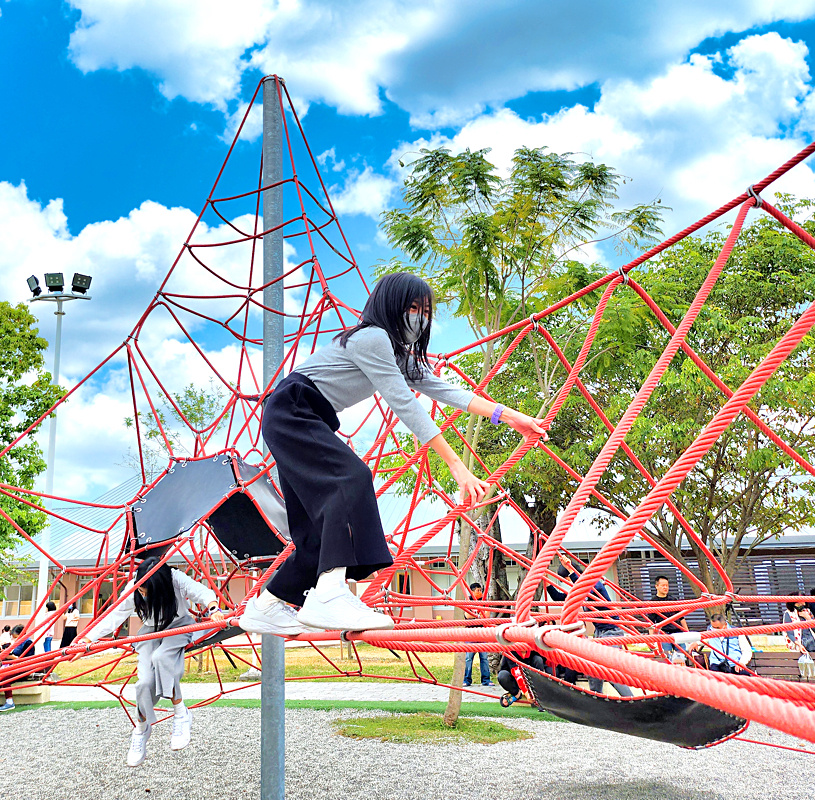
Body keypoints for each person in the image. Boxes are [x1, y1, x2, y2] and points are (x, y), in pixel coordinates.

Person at [240, 273, 548, 635]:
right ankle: (329, 594)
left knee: (315, 533)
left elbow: (445, 390)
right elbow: (405, 403)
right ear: (390, 306)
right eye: (413, 308)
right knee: (350, 479)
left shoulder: (398, 355)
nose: (420, 317)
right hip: (293, 410)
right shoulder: (372, 338)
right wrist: (457, 468)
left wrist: (511, 416)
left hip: (300, 417)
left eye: (426, 311)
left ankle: (266, 606)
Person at [75, 556, 225, 768]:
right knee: (144, 683)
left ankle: (181, 714)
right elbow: (115, 615)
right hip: (150, 632)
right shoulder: (135, 586)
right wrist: (88, 638)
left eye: (147, 592)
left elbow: (201, 592)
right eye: (141, 592)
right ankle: (142, 728)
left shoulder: (175, 579)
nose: (143, 596)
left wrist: (213, 608)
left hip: (178, 626)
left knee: (162, 657)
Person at [557, 554, 633, 697]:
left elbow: (589, 589)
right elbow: (559, 597)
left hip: (612, 631)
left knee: (610, 668)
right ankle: (596, 695)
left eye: (566, 580)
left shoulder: (595, 584)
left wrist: (570, 569)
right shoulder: (579, 591)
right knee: (592, 667)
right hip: (600, 632)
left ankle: (630, 698)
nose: (567, 584)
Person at [0, 624, 36, 712]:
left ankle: (10, 702)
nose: (15, 639)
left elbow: (26, 660)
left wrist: (11, 657)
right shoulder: (19, 643)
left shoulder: (28, 642)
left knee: (4, 677)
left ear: (22, 634)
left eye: (16, 636)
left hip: (24, 668)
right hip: (15, 666)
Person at [647, 575, 685, 662]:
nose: (665, 587)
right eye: (663, 585)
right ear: (656, 586)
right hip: (664, 633)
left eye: (667, 585)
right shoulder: (653, 602)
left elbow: (681, 617)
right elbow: (651, 622)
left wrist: (687, 632)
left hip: (678, 632)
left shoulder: (673, 600)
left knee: (682, 657)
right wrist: (652, 639)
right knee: (666, 658)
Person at [462, 583, 492, 687]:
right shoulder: (468, 601)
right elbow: (468, 615)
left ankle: (486, 680)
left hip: (481, 633)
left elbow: (487, 616)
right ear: (472, 591)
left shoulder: (484, 601)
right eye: (477, 590)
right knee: (468, 658)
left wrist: (477, 615)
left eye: (480, 590)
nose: (480, 592)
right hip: (470, 634)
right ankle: (466, 680)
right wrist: (480, 614)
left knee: (484, 657)